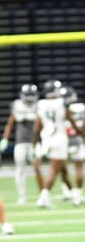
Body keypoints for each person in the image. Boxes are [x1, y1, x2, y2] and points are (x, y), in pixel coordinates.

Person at [34, 80, 81, 208]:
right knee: (55, 170)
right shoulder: (61, 103)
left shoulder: (41, 104)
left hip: (46, 138)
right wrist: (80, 133)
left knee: (63, 168)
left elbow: (37, 126)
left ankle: (73, 194)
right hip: (59, 139)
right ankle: (43, 197)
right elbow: (71, 121)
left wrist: (36, 143)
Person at [0, 84, 42, 204]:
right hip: (21, 142)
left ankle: (43, 195)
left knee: (37, 168)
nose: (29, 98)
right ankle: (22, 196)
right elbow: (10, 123)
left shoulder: (40, 106)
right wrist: (5, 139)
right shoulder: (17, 105)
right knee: (20, 170)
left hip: (35, 142)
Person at [61, 86, 84, 206]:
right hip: (78, 139)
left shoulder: (60, 108)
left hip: (64, 141)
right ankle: (78, 195)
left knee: (63, 169)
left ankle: (68, 192)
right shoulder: (81, 108)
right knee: (79, 168)